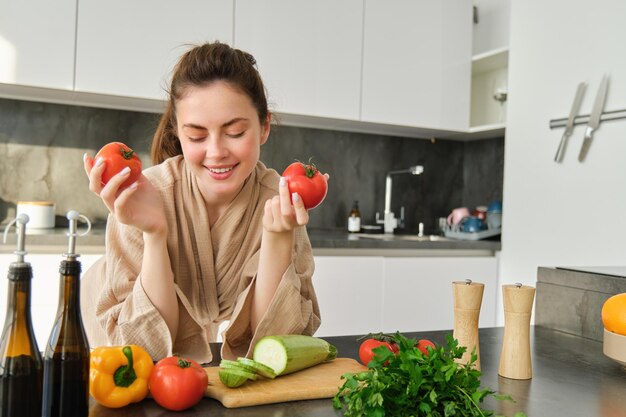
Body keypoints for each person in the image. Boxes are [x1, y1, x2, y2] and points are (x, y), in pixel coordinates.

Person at [80, 41, 326, 363]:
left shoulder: (279, 203)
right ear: (178, 133)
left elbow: (276, 347)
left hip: (204, 329)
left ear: (264, 126)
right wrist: (155, 234)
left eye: (235, 132)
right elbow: (145, 349)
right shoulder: (142, 196)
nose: (216, 152)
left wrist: (279, 238)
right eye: (196, 136)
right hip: (116, 322)